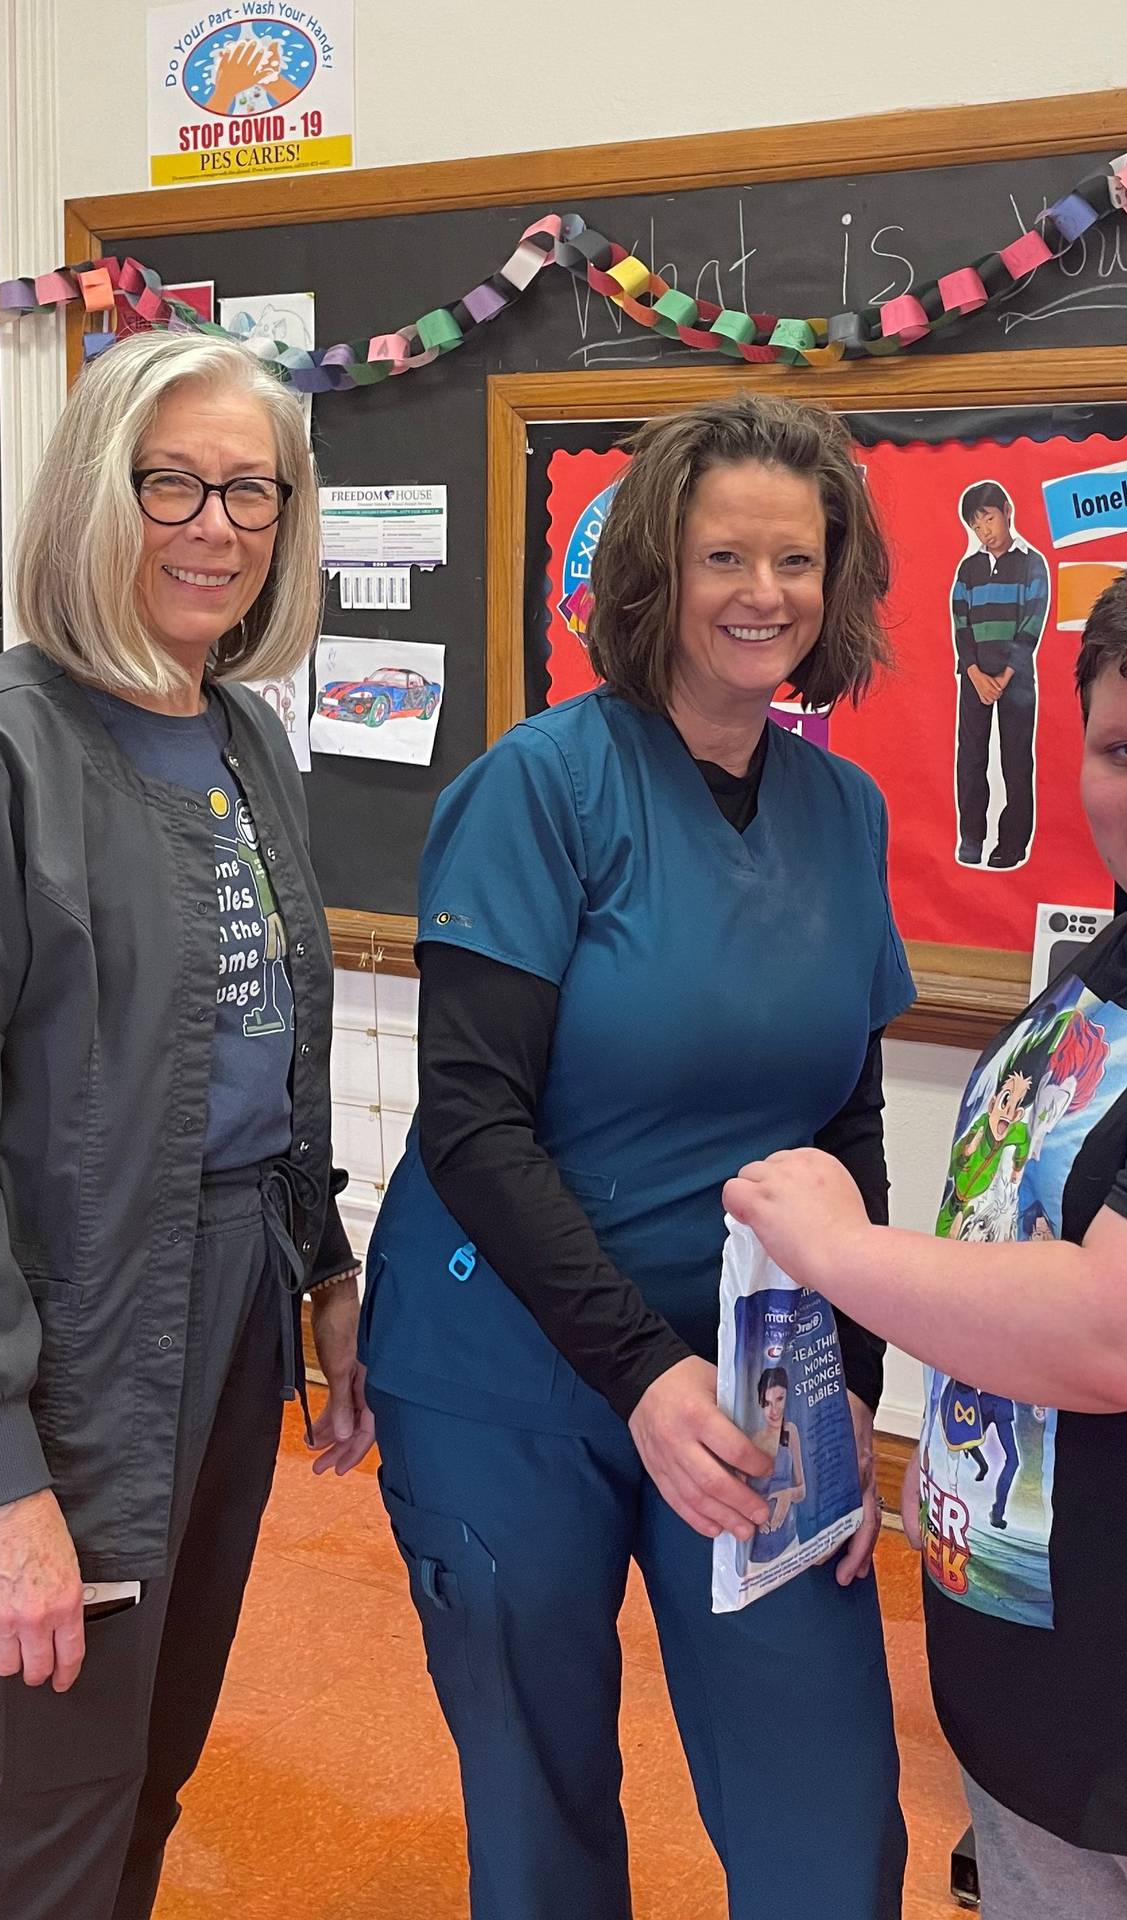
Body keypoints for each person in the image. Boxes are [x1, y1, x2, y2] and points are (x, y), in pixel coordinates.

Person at [727, 548, 1127, 1918]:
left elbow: (1122, 1331)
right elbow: (1013, 1221)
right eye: (1124, 747)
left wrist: (835, 1249)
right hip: (1045, 1717)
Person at [362, 394, 916, 1918]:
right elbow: (473, 1122)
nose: (763, 593)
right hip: (510, 1364)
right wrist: (637, 1372)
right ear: (651, 574)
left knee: (829, 1817)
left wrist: (852, 1396)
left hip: (751, 1369)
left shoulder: (843, 813)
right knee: (543, 1819)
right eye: (723, 553)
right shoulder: (539, 787)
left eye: (796, 560)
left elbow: (845, 1123)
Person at [0, 328, 375, 1920]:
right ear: (89, 497)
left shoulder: (244, 734)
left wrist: (323, 1275)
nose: (215, 526)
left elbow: (267, 1040)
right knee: (45, 1801)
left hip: (236, 1298)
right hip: (69, 1329)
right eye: (169, 481)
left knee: (148, 1760)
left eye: (251, 491)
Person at [950, 481, 1049, 870]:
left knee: (1016, 759)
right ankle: (971, 836)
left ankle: (1012, 844)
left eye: (988, 519)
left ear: (1007, 511)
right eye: (976, 526)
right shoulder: (969, 568)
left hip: (1017, 678)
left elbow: (1032, 622)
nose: (984, 531)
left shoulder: (1030, 562)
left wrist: (1006, 674)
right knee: (971, 757)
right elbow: (961, 623)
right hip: (974, 676)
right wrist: (973, 671)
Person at [746, 1365, 805, 1563]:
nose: (774, 1411)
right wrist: (754, 1512)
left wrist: (788, 1494)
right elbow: (738, 1491)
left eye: (779, 1399)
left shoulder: (790, 1432)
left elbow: (802, 1489)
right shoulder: (753, 1440)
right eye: (767, 1403)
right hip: (756, 1551)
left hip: (789, 1541)